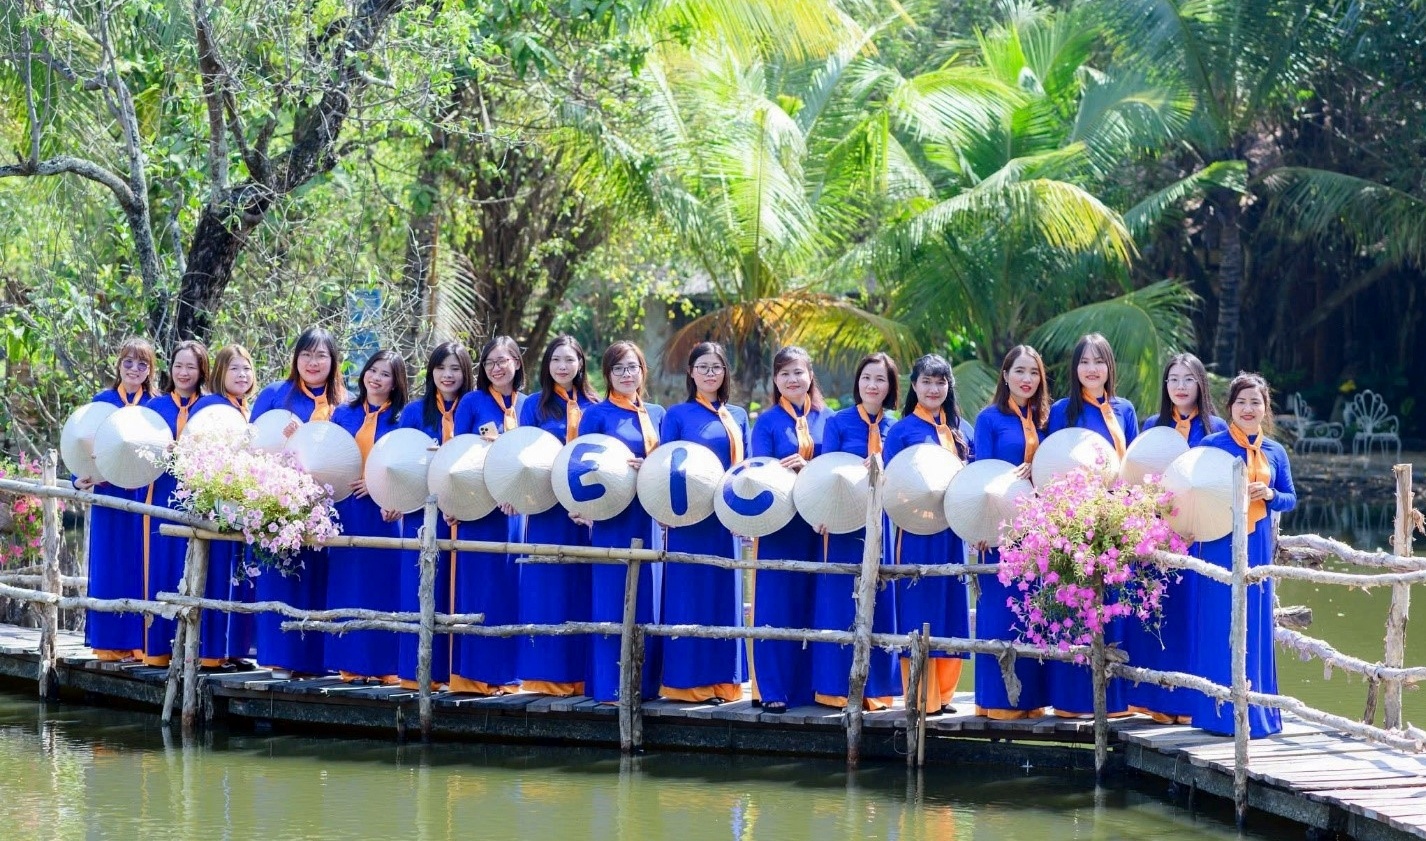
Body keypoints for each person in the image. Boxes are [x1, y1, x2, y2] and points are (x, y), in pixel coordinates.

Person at [1191, 372, 1295, 738]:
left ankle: (1258, 715)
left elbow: (1290, 498)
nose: (1248, 409)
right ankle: (1215, 715)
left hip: (1258, 544)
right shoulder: (1211, 445)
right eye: (1241, 402)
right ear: (1230, 407)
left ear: (1266, 409)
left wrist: (1270, 494)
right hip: (1219, 540)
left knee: (1255, 621)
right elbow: (1192, 490)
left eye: (1255, 402)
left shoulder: (1275, 451)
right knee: (1218, 620)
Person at [1127, 352, 1228, 722]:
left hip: (1200, 535)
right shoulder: (1152, 426)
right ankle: (1157, 702)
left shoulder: (1215, 429)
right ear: (1165, 385)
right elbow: (1138, 480)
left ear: (1200, 384)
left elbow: (1220, 481)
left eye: (1188, 379)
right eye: (1173, 379)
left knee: (1193, 616)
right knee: (1160, 616)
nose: (1180, 386)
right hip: (1157, 536)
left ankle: (1190, 703)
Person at [1045, 332, 1137, 717]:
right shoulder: (1061, 411)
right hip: (1072, 524)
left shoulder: (1124, 410)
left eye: (1099, 361)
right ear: (1075, 368)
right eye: (1084, 361)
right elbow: (1050, 464)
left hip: (1114, 524)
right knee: (1074, 607)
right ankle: (1071, 701)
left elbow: (1133, 465)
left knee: (1113, 608)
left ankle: (1115, 701)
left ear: (1109, 367)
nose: (1092, 369)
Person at [250, 327, 346, 677]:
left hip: (328, 505)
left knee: (321, 579)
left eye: (321, 355)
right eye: (306, 354)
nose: (312, 362)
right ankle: (280, 658)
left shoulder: (345, 403)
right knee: (282, 577)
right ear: (296, 358)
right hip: (279, 502)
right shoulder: (275, 394)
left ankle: (320, 661)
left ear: (333, 361)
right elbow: (253, 442)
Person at [658, 342, 748, 703]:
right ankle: (687, 684)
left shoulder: (738, 415)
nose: (710, 373)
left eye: (717, 367)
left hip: (725, 521)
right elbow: (664, 467)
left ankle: (724, 683)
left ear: (725, 373)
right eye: (703, 367)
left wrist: (744, 515)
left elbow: (747, 469)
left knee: (724, 598)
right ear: (691, 373)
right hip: (688, 520)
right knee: (688, 597)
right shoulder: (677, 415)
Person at [578, 341, 665, 703]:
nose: (627, 374)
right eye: (619, 369)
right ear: (607, 374)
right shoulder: (596, 415)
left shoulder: (658, 413)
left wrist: (651, 467)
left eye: (633, 367)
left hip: (650, 515)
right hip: (613, 515)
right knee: (611, 598)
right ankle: (610, 685)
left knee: (649, 598)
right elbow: (580, 464)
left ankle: (647, 685)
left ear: (643, 371)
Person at [883, 354, 970, 715]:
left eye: (940, 382)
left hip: (953, 532)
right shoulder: (901, 431)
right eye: (927, 382)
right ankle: (922, 696)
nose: (934, 389)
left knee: (952, 607)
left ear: (949, 386)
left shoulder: (962, 429)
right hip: (915, 532)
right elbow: (890, 483)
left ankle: (945, 695)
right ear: (914, 386)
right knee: (917, 606)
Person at [812, 352, 899, 709]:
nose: (872, 385)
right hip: (843, 523)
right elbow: (825, 473)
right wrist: (824, 513)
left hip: (882, 523)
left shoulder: (897, 426)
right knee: (839, 601)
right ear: (857, 382)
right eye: (866, 378)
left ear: (890, 386)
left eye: (880, 379)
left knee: (880, 600)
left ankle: (877, 692)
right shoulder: (839, 422)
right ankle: (834, 689)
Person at [516, 335, 599, 696]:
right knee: (547, 588)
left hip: (587, 509)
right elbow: (521, 455)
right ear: (546, 365)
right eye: (555, 360)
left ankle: (584, 675)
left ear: (581, 363)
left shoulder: (596, 406)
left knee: (584, 586)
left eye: (569, 359)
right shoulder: (534, 406)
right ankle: (545, 676)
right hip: (547, 509)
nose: (562, 366)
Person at [970, 345, 1050, 719]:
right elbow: (981, 475)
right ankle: (996, 702)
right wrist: (982, 525)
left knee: (1035, 613)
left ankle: (1031, 700)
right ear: (1005, 375)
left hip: (1039, 530)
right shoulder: (989, 419)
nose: (1026, 379)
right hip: (998, 527)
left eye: (1033, 372)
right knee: (1000, 614)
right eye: (1019, 371)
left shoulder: (1046, 419)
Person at [749, 346, 829, 713]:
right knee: (776, 604)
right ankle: (773, 689)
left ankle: (814, 687)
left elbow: (835, 468)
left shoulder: (831, 419)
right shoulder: (766, 422)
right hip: (779, 524)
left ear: (810, 375)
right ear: (775, 380)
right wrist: (788, 472)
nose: (792, 379)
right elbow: (758, 474)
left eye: (798, 372)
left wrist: (809, 469)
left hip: (821, 524)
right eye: (784, 373)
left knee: (816, 601)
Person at [448, 336, 525, 695]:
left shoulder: (528, 404)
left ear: (516, 363)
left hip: (515, 511)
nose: (496, 368)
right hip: (479, 509)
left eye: (503, 361)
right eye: (490, 362)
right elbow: (456, 454)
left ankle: (509, 676)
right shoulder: (472, 402)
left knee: (511, 590)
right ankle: (474, 676)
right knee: (479, 590)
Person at [395, 341, 473, 689]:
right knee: (421, 587)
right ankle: (417, 674)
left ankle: (458, 673)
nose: (447, 375)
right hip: (421, 508)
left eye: (455, 368)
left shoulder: (473, 409)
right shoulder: (415, 412)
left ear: (466, 372)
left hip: (465, 511)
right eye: (441, 368)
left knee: (459, 591)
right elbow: (401, 459)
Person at [325, 350, 407, 683]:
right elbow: (328, 454)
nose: (376, 378)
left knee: (384, 586)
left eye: (385, 374)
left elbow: (410, 465)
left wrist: (384, 490)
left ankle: (385, 667)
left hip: (384, 512)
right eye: (372, 370)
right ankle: (350, 665)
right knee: (349, 584)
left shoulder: (404, 419)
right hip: (346, 510)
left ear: (396, 382)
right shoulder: (343, 413)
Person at [78, 337, 159, 661]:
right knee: (109, 565)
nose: (134, 369)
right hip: (108, 492)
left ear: (150, 370)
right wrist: (79, 477)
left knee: (141, 566)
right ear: (119, 365)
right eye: (128, 362)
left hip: (144, 493)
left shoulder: (155, 407)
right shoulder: (102, 402)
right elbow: (82, 444)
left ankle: (140, 643)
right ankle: (108, 643)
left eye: (142, 364)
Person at [141, 340, 209, 667]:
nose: (183, 372)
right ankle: (158, 650)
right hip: (161, 493)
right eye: (178, 366)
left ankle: (197, 651)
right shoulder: (154, 407)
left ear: (202, 371)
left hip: (201, 498)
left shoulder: (210, 408)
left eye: (191, 367)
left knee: (198, 568)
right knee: (162, 565)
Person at [191, 344, 259, 666]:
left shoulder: (249, 410)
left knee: (240, 575)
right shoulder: (210, 407)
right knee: (216, 573)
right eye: (234, 368)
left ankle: (235, 650)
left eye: (247, 368)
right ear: (220, 372)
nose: (242, 375)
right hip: (216, 499)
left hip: (245, 501)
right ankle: (210, 652)